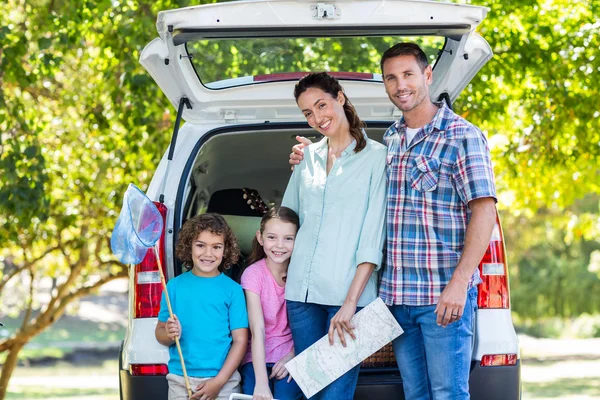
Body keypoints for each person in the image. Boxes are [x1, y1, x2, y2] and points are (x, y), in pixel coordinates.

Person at [289, 43, 498, 400]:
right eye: (391, 77)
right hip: (397, 297)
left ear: (427, 75)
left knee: (449, 393)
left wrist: (460, 282)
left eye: (408, 74)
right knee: (415, 393)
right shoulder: (393, 139)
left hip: (441, 294)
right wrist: (312, 152)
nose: (400, 85)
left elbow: (485, 210)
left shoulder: (462, 135)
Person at [282, 72, 387, 400]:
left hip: (348, 297)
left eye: (321, 105)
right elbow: (288, 222)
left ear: (340, 97)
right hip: (301, 296)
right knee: (313, 392)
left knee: (336, 396)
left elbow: (372, 238)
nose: (317, 117)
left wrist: (350, 304)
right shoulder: (306, 157)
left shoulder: (378, 158)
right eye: (308, 113)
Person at [155, 213, 249, 400]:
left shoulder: (233, 290)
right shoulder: (173, 287)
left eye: (216, 247)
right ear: (188, 246)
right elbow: (160, 333)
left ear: (225, 250)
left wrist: (219, 382)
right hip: (181, 380)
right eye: (200, 245)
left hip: (224, 382)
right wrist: (169, 333)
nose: (208, 254)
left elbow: (240, 341)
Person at [239, 206, 303, 400]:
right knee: (255, 393)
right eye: (272, 237)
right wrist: (261, 383)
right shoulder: (253, 274)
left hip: (292, 353)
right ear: (260, 238)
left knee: (286, 395)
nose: (279, 245)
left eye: (288, 238)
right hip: (256, 357)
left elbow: (309, 326)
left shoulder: (301, 273)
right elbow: (257, 330)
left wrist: (293, 356)